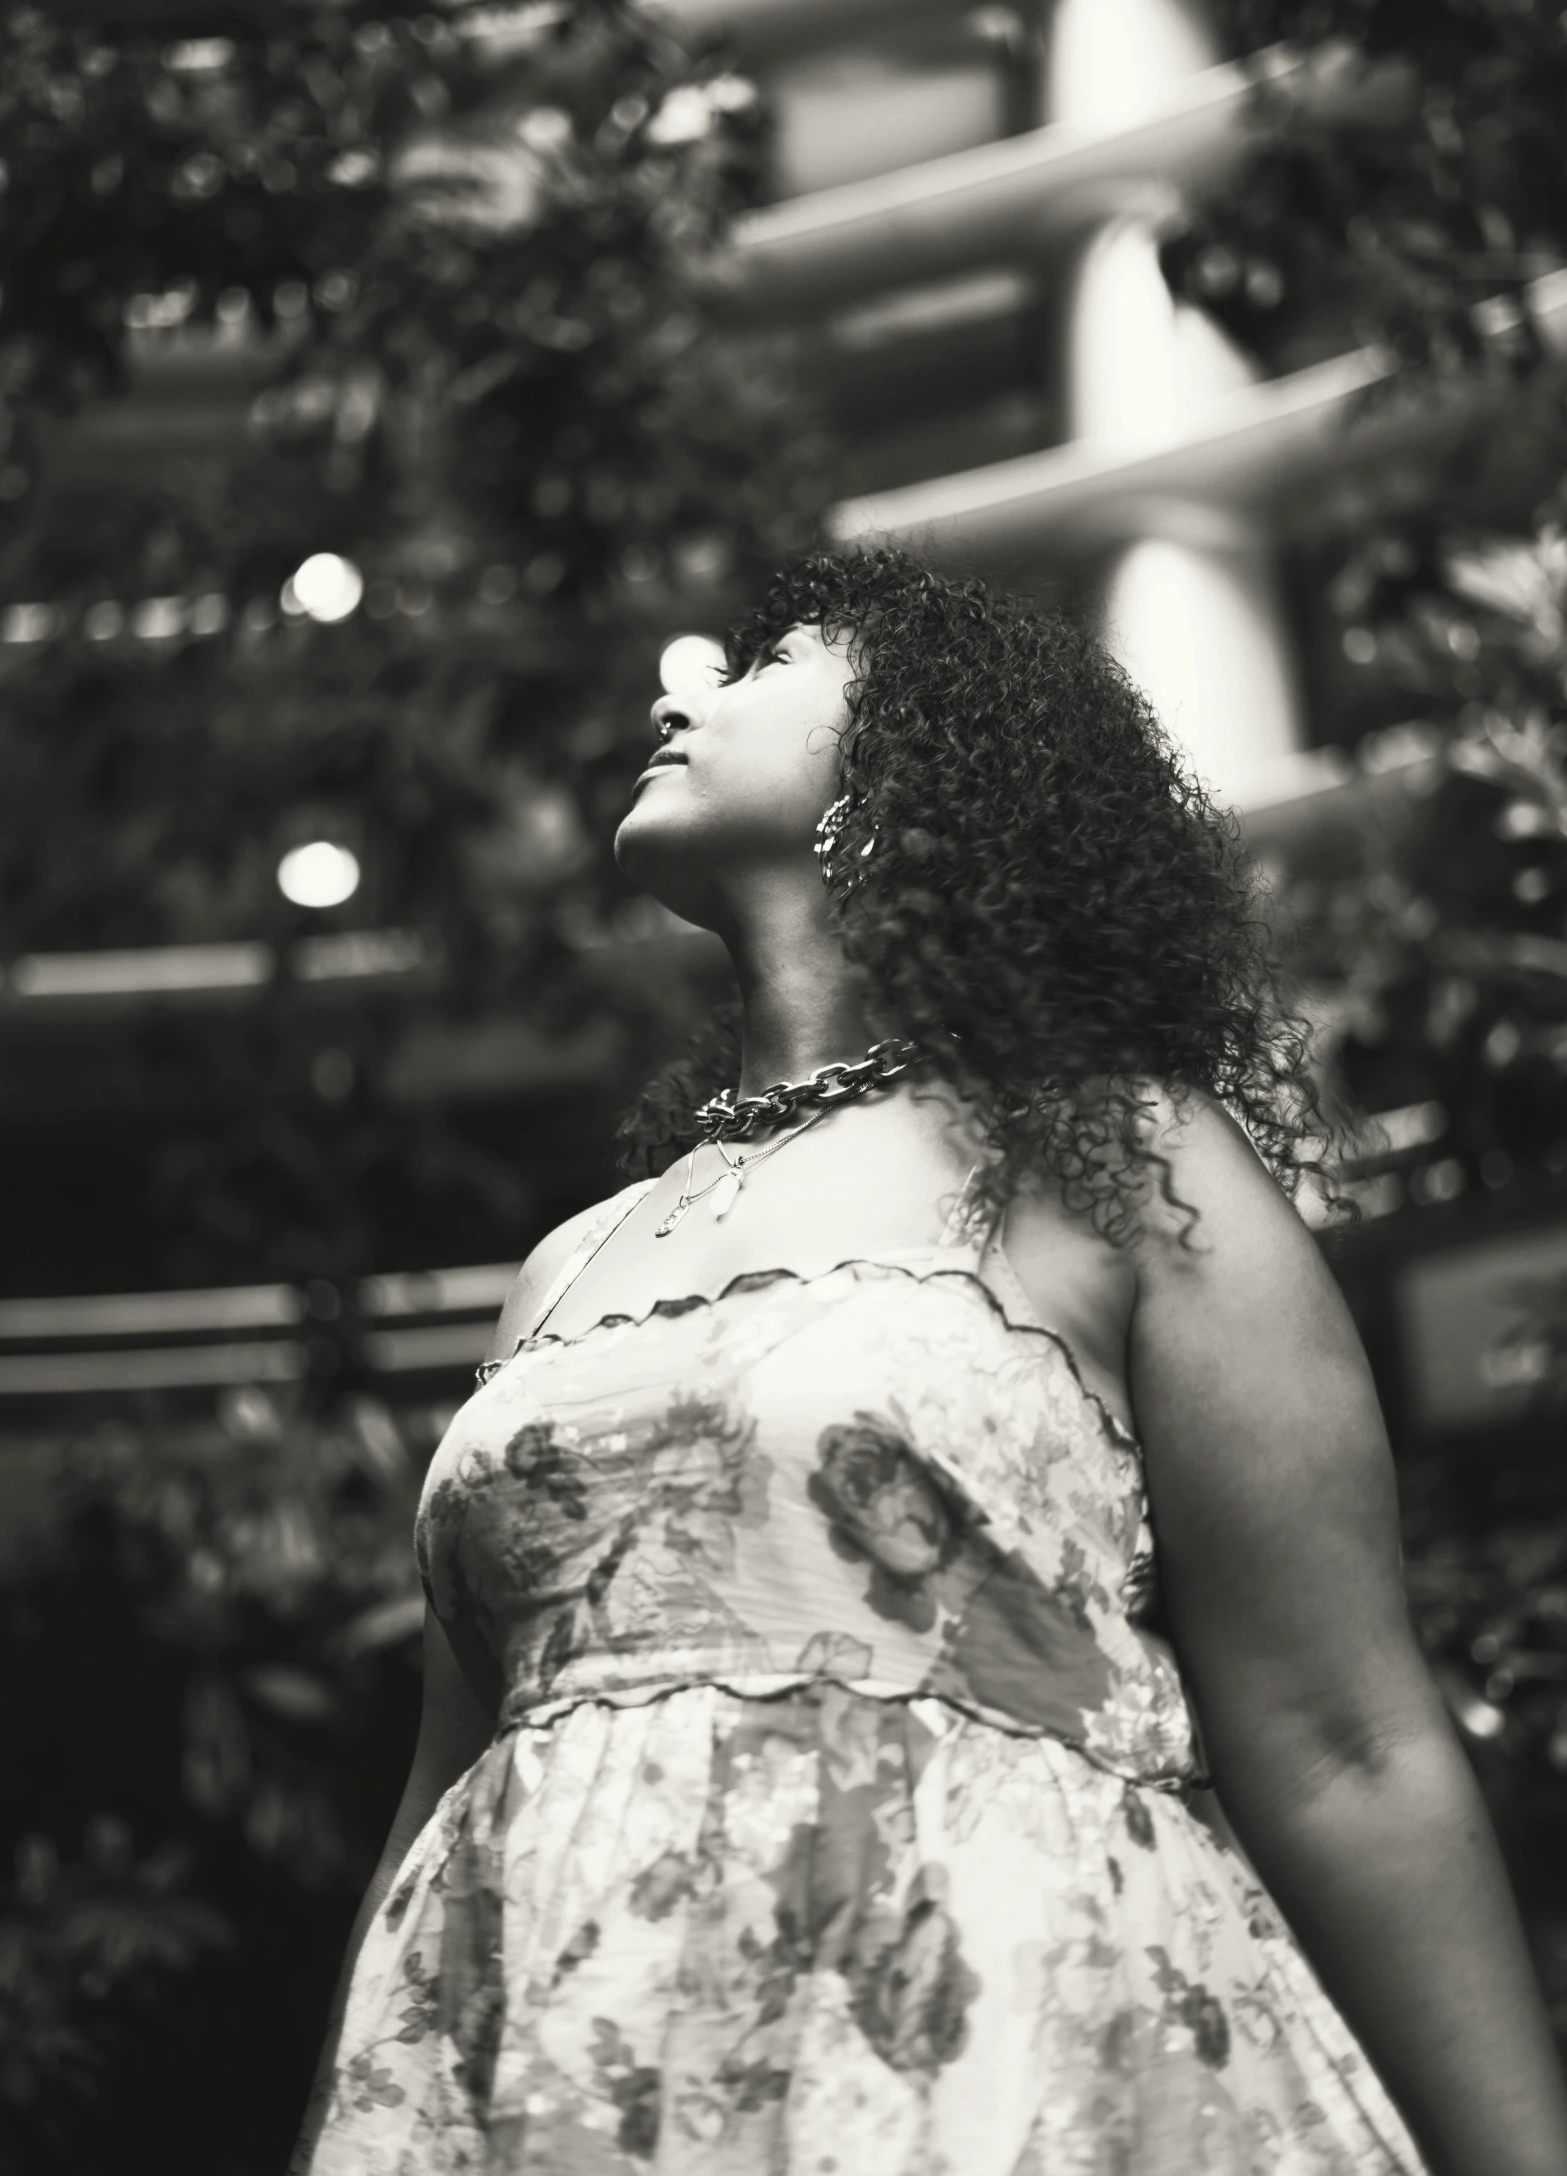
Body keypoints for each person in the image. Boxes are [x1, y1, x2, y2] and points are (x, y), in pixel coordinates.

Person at [292, 549, 1567, 2175]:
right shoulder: (571, 1263)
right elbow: (448, 1778)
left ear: (906, 764)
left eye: (754, 671)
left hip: (997, 2061)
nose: (674, 696)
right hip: (552, 2080)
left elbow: (1339, 1739)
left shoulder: (1119, 1168)